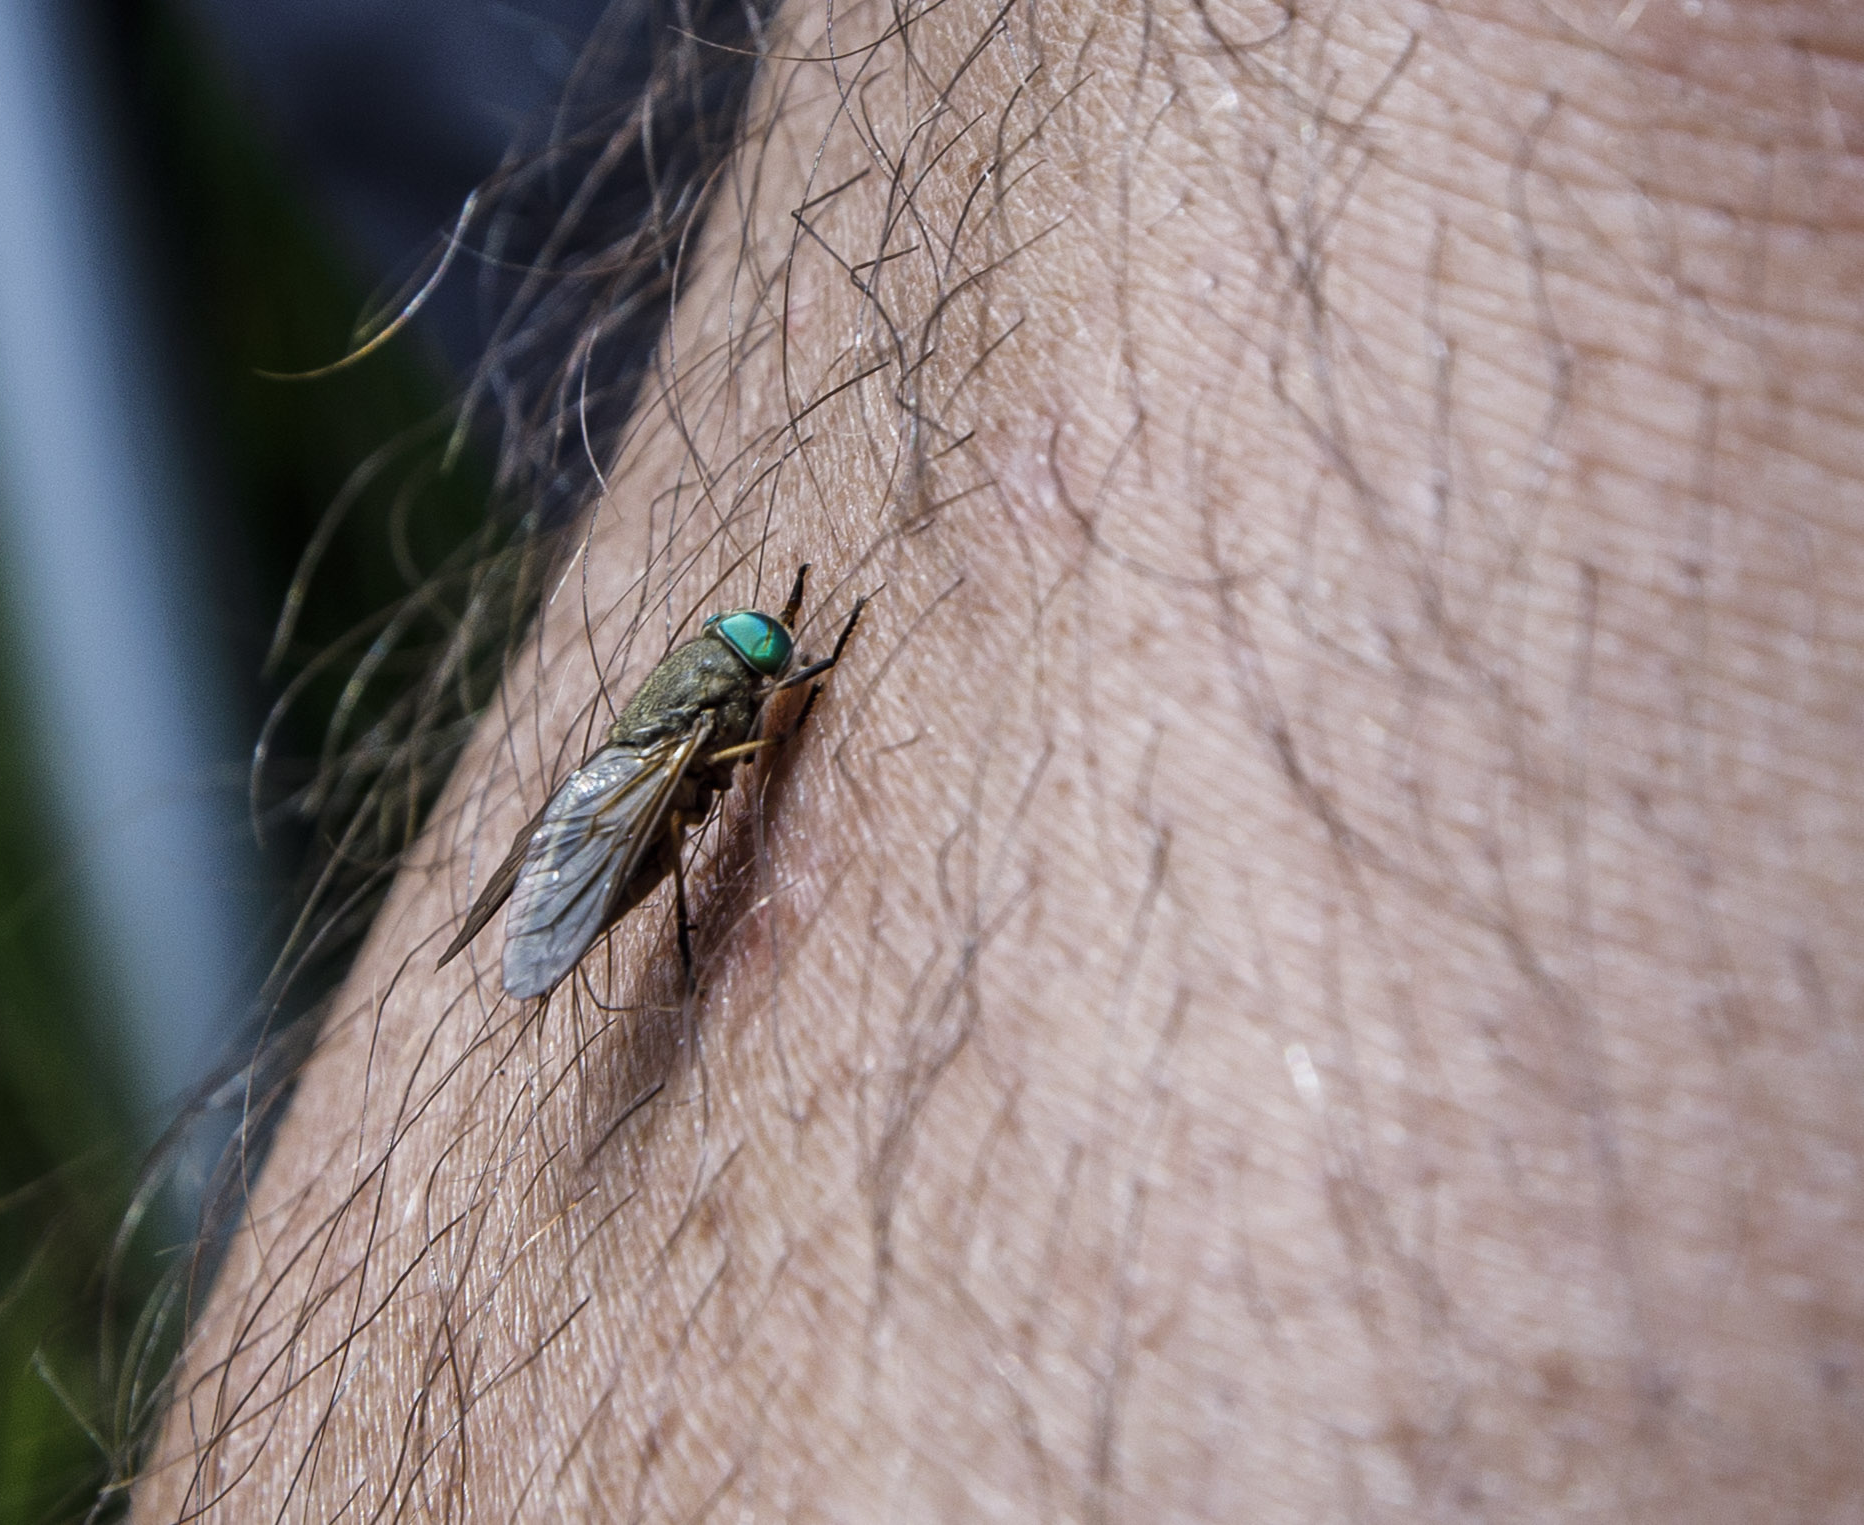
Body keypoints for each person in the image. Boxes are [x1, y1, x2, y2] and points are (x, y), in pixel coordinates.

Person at [139, 0, 1864, 1513]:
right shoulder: (711, 718)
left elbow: (698, 730)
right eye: (763, 662)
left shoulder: (721, 683)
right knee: (638, 815)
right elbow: (669, 770)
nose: (772, 674)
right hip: (627, 740)